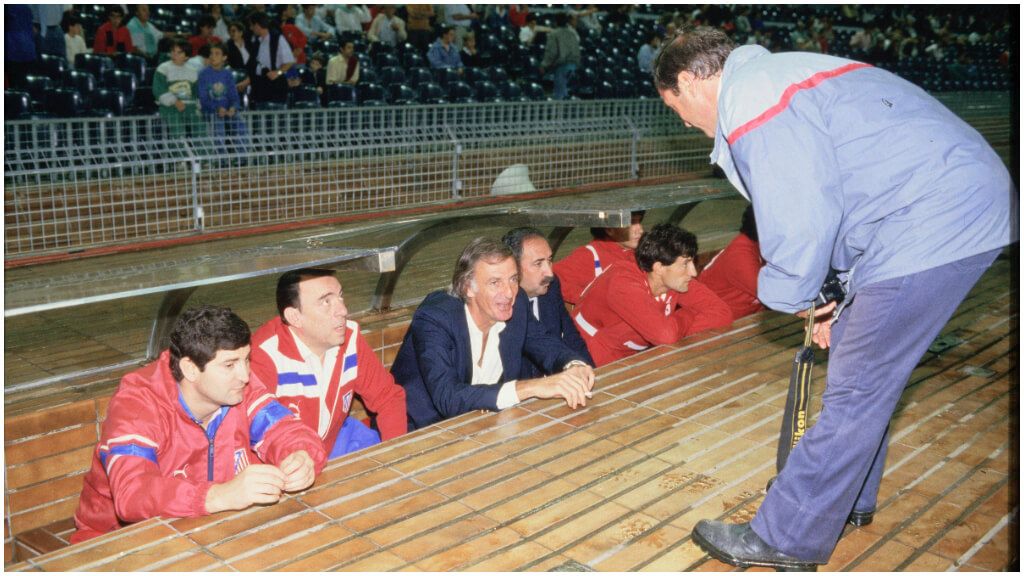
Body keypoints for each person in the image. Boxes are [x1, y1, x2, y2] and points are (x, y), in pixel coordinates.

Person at [654, 26, 1015, 570]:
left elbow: (802, 212)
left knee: (857, 387)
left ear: (688, 80)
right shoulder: (783, 75)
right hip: (944, 210)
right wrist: (837, 297)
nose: (682, 120)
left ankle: (787, 537)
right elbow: (847, 192)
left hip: (932, 221)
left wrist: (794, 292)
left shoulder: (755, 99)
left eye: (674, 106)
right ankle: (845, 500)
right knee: (863, 368)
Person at [71, 306, 327, 543]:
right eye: (230, 364)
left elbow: (285, 430)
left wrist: (302, 456)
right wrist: (219, 495)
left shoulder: (237, 389)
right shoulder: (138, 404)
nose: (245, 375)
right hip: (115, 540)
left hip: (205, 526)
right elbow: (133, 493)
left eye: (247, 359)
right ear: (190, 370)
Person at [391, 238, 596, 431]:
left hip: (481, 425)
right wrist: (532, 387)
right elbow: (448, 398)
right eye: (495, 282)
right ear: (467, 287)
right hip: (420, 430)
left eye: (513, 279)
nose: (509, 292)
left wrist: (574, 366)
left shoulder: (518, 304)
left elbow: (545, 343)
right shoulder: (436, 318)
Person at [251, 269, 408, 458]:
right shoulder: (264, 355)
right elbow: (253, 432)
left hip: (336, 443)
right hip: (287, 462)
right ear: (295, 317)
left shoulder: (349, 337)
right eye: (326, 301)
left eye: (340, 297)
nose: (343, 310)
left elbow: (388, 397)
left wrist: (398, 454)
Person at [572, 224, 733, 366]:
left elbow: (722, 313)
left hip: (636, 358)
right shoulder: (623, 282)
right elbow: (665, 335)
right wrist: (688, 314)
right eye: (685, 264)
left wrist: (671, 326)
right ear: (659, 267)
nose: (693, 272)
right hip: (590, 361)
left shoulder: (672, 278)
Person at [501, 227, 593, 378]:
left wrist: (589, 371)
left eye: (549, 261)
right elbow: (539, 341)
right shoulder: (505, 303)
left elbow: (571, 337)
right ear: (513, 268)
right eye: (538, 264)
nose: (549, 273)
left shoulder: (551, 286)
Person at [553, 210, 645, 306]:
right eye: (630, 223)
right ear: (609, 229)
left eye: (639, 221)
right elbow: (549, 279)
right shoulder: (589, 255)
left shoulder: (639, 252)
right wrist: (592, 300)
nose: (640, 230)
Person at [698, 205, 765, 320]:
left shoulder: (758, 245)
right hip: (716, 326)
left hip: (745, 319)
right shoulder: (741, 256)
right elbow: (774, 295)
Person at [198, 43, 247, 157]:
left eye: (217, 54)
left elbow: (234, 96)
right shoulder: (203, 74)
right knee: (218, 125)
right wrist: (217, 108)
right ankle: (222, 160)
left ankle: (242, 159)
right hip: (210, 111)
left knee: (241, 123)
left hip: (227, 111)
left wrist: (233, 107)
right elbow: (203, 99)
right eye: (211, 54)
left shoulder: (227, 74)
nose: (212, 56)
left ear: (224, 57)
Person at [153, 39, 203, 139]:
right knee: (178, 131)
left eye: (179, 52)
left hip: (190, 106)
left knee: (202, 128)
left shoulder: (193, 71)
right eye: (173, 51)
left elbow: (197, 93)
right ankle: (179, 154)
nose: (174, 55)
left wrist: (198, 106)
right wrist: (175, 101)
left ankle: (203, 154)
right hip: (170, 107)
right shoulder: (163, 68)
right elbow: (158, 91)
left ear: (187, 56)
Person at [246, 11, 294, 107]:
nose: (251, 28)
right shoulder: (257, 42)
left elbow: (289, 62)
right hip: (260, 85)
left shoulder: (277, 38)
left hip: (276, 86)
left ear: (258, 25)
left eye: (252, 25)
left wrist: (278, 72)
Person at [540, 12, 581, 100]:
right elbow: (577, 51)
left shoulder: (554, 34)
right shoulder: (572, 33)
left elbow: (551, 52)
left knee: (560, 97)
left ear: (556, 22)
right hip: (574, 67)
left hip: (562, 67)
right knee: (569, 95)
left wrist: (544, 65)